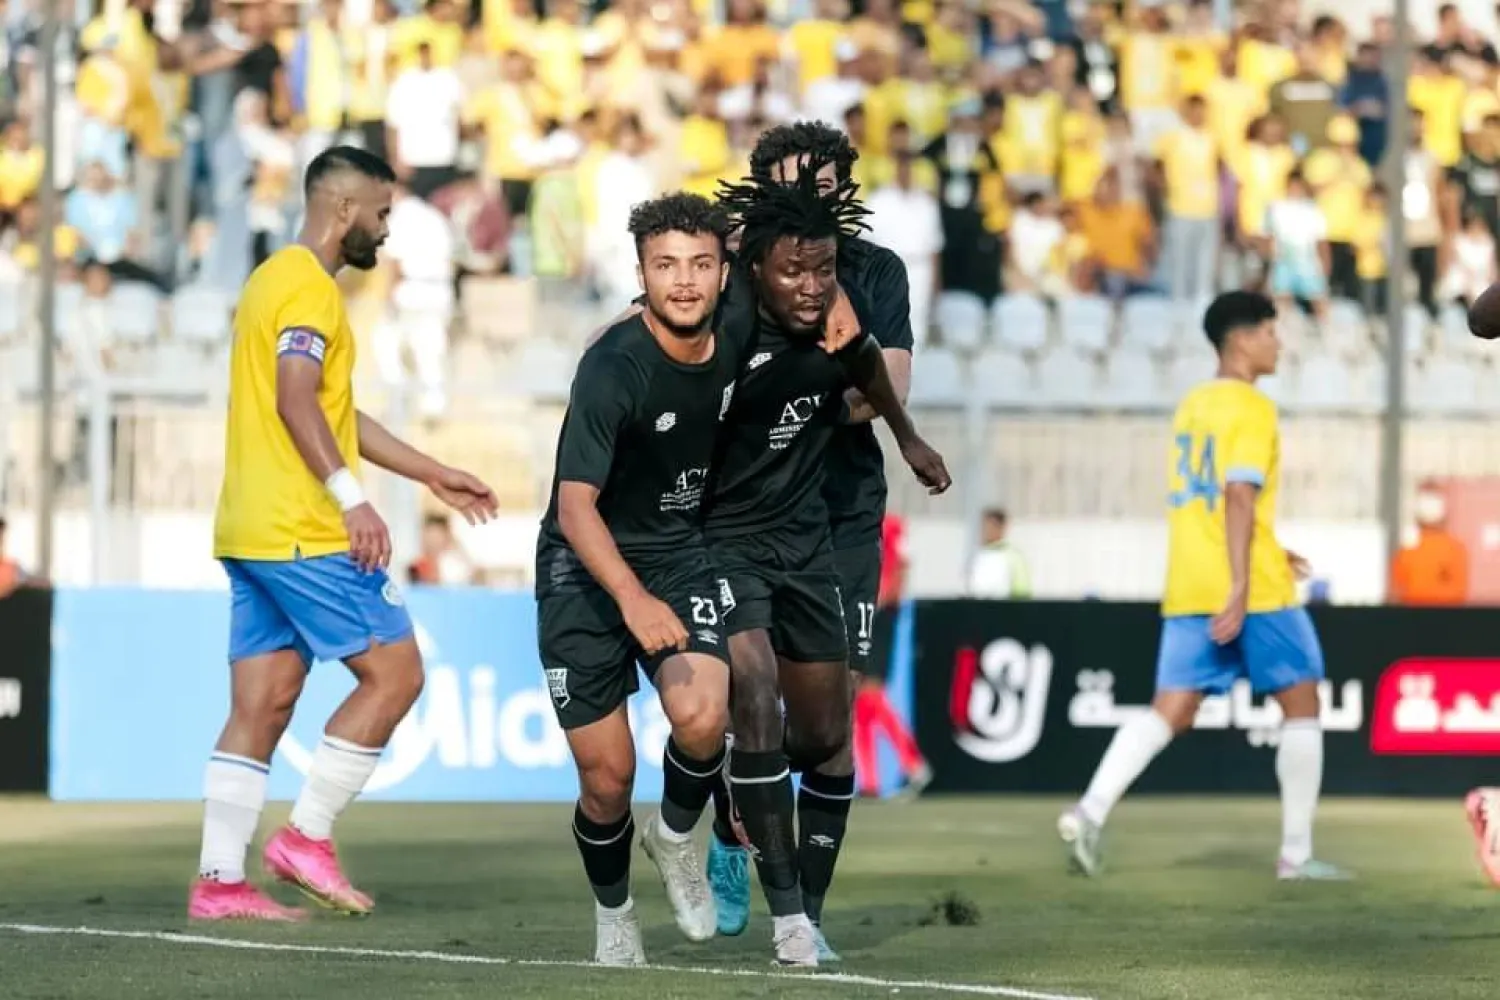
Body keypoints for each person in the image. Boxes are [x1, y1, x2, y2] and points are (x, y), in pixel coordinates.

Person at [189, 146, 499, 922]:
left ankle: (219, 881)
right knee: (396, 673)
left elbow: (331, 412)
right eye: (382, 213)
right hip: (303, 528)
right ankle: (306, 836)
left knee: (264, 703)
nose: (386, 230)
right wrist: (353, 501)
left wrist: (430, 471)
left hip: (250, 528)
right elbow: (298, 402)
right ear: (344, 209)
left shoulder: (271, 280)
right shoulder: (308, 289)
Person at [705, 163, 950, 966]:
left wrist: (895, 429)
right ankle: (784, 905)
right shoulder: (731, 285)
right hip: (741, 523)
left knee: (827, 730)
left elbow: (881, 380)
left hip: (838, 515)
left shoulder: (869, 276)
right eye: (787, 188)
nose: (805, 200)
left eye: (820, 187)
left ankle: (800, 898)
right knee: (752, 695)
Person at [1057, 291, 1349, 883]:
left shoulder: (1192, 406)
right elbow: (1237, 494)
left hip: (1190, 581)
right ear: (1240, 340)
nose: (1278, 344)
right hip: (1252, 587)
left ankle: (1088, 811)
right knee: (1302, 701)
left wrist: (1268, 546)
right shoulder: (1252, 407)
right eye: (1270, 332)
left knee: (1170, 709)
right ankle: (1295, 856)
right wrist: (1242, 582)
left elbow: (1210, 499)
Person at [535, 193, 741, 966]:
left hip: (677, 553)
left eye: (700, 264)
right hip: (582, 565)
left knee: (703, 715)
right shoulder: (611, 368)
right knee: (608, 779)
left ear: (725, 273)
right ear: (641, 274)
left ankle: (676, 837)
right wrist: (631, 598)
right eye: (666, 266)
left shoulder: (741, 325)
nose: (684, 281)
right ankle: (615, 913)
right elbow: (575, 506)